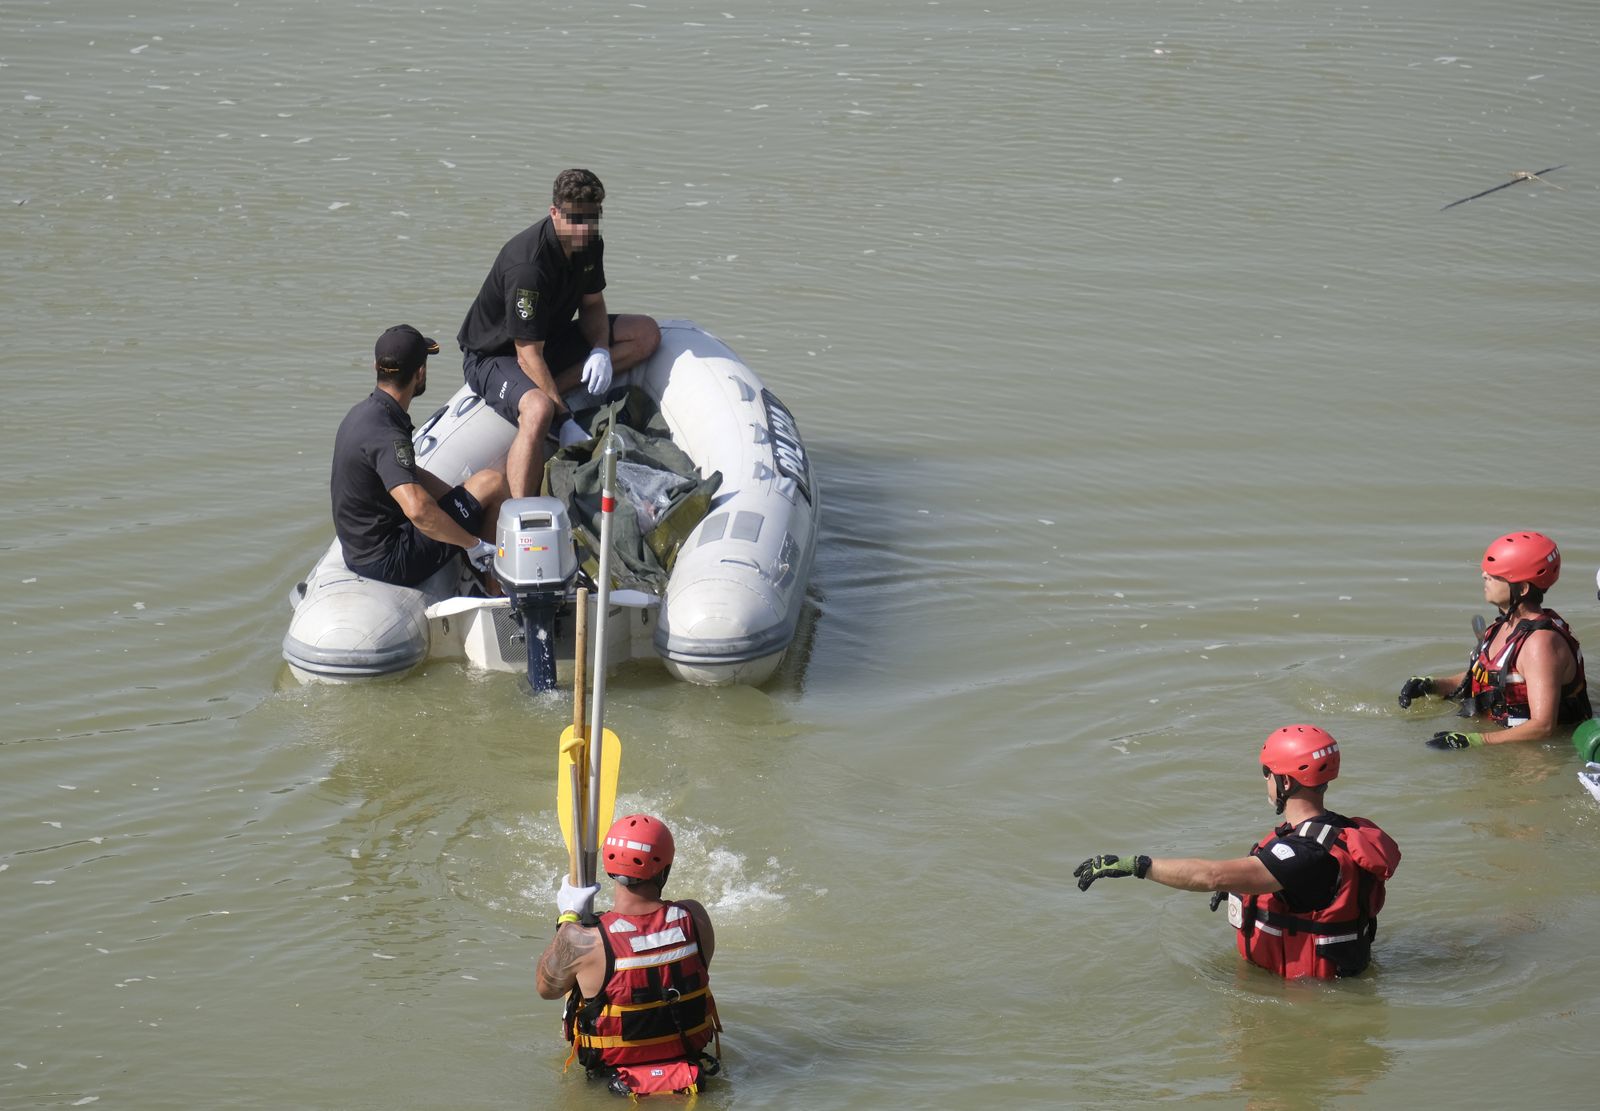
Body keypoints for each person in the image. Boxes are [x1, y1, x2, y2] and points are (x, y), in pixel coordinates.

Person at [1074, 725, 1400, 981]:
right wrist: (1241, 890)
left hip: (1311, 997)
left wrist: (1137, 865)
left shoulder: (1306, 852)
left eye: (1267, 772)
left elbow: (1210, 876)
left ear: (1286, 782)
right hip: (1319, 980)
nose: (1266, 780)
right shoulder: (1328, 830)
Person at [458, 168, 661, 498]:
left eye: (593, 218)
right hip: (497, 355)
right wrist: (564, 420)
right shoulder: (529, 268)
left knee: (645, 334)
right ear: (554, 212)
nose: (585, 228)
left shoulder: (589, 243)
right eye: (576, 219)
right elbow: (527, 354)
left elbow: (592, 304)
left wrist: (600, 349)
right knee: (539, 409)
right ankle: (521, 506)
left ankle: (558, 388)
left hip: (549, 336)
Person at [536, 814, 722, 1097]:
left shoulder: (584, 939)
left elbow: (547, 989)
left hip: (611, 1082)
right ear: (665, 869)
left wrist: (568, 918)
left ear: (609, 867)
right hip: (690, 1072)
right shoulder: (694, 917)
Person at [330, 324, 509, 586]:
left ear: (376, 367)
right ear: (420, 372)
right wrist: (473, 544)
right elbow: (417, 510)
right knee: (492, 483)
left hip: (359, 551)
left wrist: (456, 499)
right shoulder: (388, 433)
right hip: (388, 560)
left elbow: (411, 472)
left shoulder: (362, 414)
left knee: (474, 491)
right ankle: (496, 590)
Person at [1397, 531, 1592, 749]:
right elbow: (1487, 679)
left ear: (1523, 588)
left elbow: (1543, 726)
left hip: (1531, 755)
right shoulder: (1502, 626)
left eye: (1496, 575)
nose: (1484, 575)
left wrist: (1476, 740)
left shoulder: (1540, 644)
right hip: (1500, 737)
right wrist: (1431, 685)